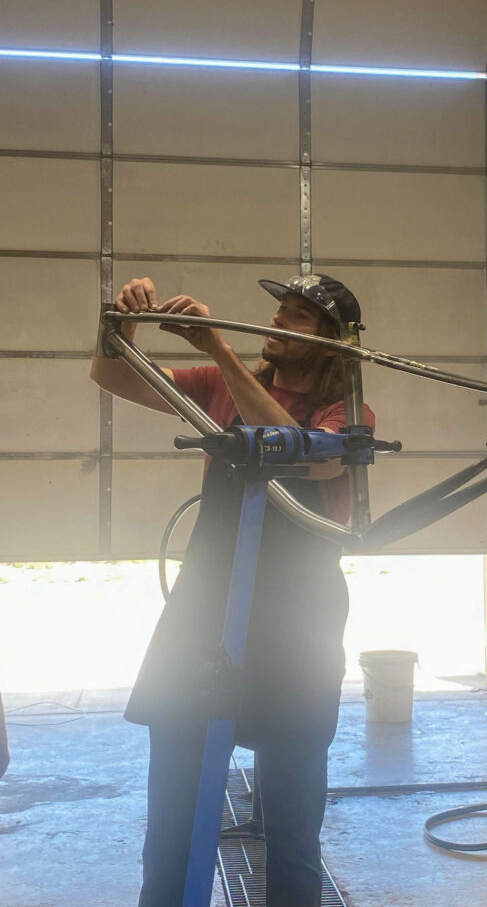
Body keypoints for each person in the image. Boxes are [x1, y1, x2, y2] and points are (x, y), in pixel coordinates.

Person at [90, 273, 374, 907]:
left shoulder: (347, 416)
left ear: (333, 342)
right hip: (208, 613)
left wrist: (218, 347)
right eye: (280, 309)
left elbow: (311, 457)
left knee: (294, 830)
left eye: (299, 318)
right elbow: (113, 378)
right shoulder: (221, 389)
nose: (278, 322)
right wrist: (121, 324)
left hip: (296, 629)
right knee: (171, 818)